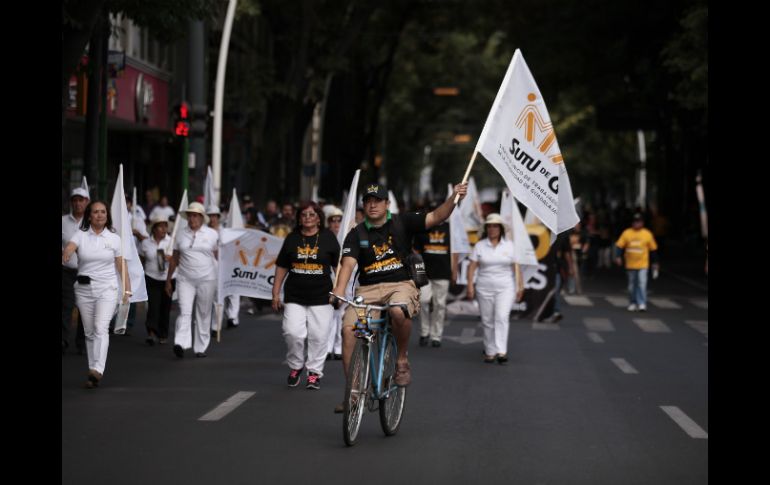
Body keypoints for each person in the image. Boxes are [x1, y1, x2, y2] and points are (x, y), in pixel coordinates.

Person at [331, 182, 467, 403]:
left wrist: (454, 198)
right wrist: (337, 292)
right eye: (368, 201)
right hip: (368, 290)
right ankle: (353, 393)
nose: (373, 205)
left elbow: (435, 217)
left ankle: (401, 360)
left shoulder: (403, 221)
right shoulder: (356, 233)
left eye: (377, 201)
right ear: (364, 206)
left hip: (401, 285)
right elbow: (346, 265)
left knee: (397, 311)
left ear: (387, 203)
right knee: (348, 330)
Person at [62, 200, 131, 388]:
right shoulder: (81, 234)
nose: (99, 215)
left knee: (101, 327)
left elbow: (121, 265)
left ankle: (98, 369)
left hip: (107, 289)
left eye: (103, 212)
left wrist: (127, 288)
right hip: (84, 290)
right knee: (90, 331)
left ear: (107, 216)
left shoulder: (114, 238)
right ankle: (92, 370)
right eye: (95, 212)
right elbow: (70, 245)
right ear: (89, 216)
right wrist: (67, 252)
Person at [272, 202, 340, 389]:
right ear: (299, 219)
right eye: (304, 215)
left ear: (319, 218)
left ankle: (314, 373)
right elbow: (282, 266)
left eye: (312, 215)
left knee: (319, 336)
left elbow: (339, 267)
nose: (308, 218)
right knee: (292, 332)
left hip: (322, 296)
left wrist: (339, 291)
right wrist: (275, 293)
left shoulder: (328, 238)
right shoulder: (292, 238)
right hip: (295, 295)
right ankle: (295, 366)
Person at [466, 213, 524, 364]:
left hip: (505, 287)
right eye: (489, 226)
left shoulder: (510, 246)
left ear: (501, 229)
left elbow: (517, 268)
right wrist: (470, 285)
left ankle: (501, 351)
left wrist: (520, 286)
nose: (492, 229)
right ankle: (490, 351)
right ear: (486, 229)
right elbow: (472, 267)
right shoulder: (479, 245)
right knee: (487, 320)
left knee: (501, 317)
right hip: (484, 287)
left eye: (495, 226)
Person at [165, 202, 219, 358]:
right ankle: (181, 343)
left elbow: (219, 256)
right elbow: (175, 258)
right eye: (190, 215)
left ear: (202, 218)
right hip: (185, 278)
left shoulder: (212, 234)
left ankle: (201, 347)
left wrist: (223, 277)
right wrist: (168, 280)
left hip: (207, 278)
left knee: (203, 312)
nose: (192, 218)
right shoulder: (180, 234)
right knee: (185, 311)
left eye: (195, 215)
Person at [413, 213, 452, 347]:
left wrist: (455, 271)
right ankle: (424, 332)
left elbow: (455, 251)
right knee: (423, 301)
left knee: (439, 305)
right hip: (424, 273)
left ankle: (436, 336)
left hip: (443, 272)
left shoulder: (450, 229)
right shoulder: (423, 228)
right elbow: (416, 251)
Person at [140, 215, 175, 345]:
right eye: (160, 226)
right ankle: (151, 332)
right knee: (153, 306)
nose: (163, 229)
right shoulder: (145, 243)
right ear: (154, 229)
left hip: (168, 278)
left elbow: (177, 260)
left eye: (165, 225)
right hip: (151, 277)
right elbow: (141, 259)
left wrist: (170, 259)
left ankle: (163, 333)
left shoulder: (171, 242)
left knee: (165, 307)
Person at [62, 187, 89, 354]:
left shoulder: (92, 222)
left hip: (86, 271)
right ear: (72, 202)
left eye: (81, 200)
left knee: (84, 307)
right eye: (75, 200)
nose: (78, 203)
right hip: (66, 271)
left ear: (87, 202)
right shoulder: (63, 221)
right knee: (65, 305)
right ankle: (63, 340)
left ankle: (81, 341)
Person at [615, 212, 659, 312]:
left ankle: (642, 303)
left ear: (642, 223)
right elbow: (619, 245)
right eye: (635, 222)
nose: (636, 224)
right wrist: (618, 257)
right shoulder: (627, 233)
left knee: (642, 283)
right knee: (631, 285)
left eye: (638, 222)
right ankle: (632, 302)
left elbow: (653, 250)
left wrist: (655, 263)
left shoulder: (647, 234)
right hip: (630, 264)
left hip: (643, 264)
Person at [324, 207, 345, 359]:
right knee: (329, 315)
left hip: (345, 280)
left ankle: (338, 347)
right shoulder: (325, 238)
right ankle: (327, 347)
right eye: (333, 221)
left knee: (341, 314)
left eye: (339, 220)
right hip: (329, 279)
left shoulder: (347, 237)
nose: (336, 224)